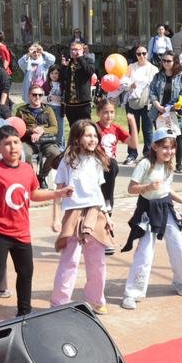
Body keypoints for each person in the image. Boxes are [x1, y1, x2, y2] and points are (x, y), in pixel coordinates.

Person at [0, 126, 54, 325]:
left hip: (22, 233)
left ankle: (24, 314)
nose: (12, 147)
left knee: (26, 274)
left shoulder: (27, 169)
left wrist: (58, 193)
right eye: (6, 144)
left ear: (20, 144)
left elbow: (34, 193)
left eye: (15, 142)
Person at [119, 129, 182, 310]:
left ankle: (181, 281)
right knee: (145, 252)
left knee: (177, 245)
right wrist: (148, 186)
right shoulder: (145, 164)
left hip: (165, 207)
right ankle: (132, 293)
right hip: (147, 210)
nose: (169, 152)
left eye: (172, 148)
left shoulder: (169, 166)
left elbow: (167, 189)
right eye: (165, 148)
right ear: (155, 146)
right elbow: (131, 188)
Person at [49, 119, 110, 312]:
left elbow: (98, 191)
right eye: (88, 135)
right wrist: (56, 217)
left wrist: (107, 216)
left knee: (97, 261)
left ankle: (95, 300)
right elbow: (58, 191)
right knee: (70, 260)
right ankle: (59, 303)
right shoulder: (67, 161)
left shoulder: (98, 159)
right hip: (73, 214)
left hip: (95, 212)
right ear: (77, 137)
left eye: (95, 135)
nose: (93, 139)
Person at [149, 51, 182, 172]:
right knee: (162, 138)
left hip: (176, 112)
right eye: (164, 60)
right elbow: (152, 92)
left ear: (175, 62)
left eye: (169, 61)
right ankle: (163, 163)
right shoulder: (157, 76)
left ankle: (179, 163)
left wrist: (173, 106)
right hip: (159, 112)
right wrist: (158, 106)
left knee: (177, 137)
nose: (166, 63)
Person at [120, 45, 157, 163]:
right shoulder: (131, 67)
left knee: (148, 129)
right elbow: (123, 84)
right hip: (132, 102)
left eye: (144, 53)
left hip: (148, 103)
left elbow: (156, 87)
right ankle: (132, 154)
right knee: (133, 129)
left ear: (147, 54)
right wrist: (131, 85)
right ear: (135, 55)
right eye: (139, 54)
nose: (142, 56)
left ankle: (148, 153)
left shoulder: (153, 69)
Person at [55, 41, 98, 128]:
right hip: (70, 103)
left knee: (86, 127)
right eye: (72, 49)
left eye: (76, 49)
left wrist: (80, 58)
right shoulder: (68, 62)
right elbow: (62, 79)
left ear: (83, 50)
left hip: (83, 102)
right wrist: (64, 66)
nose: (74, 52)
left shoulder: (88, 60)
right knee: (74, 128)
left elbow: (90, 72)